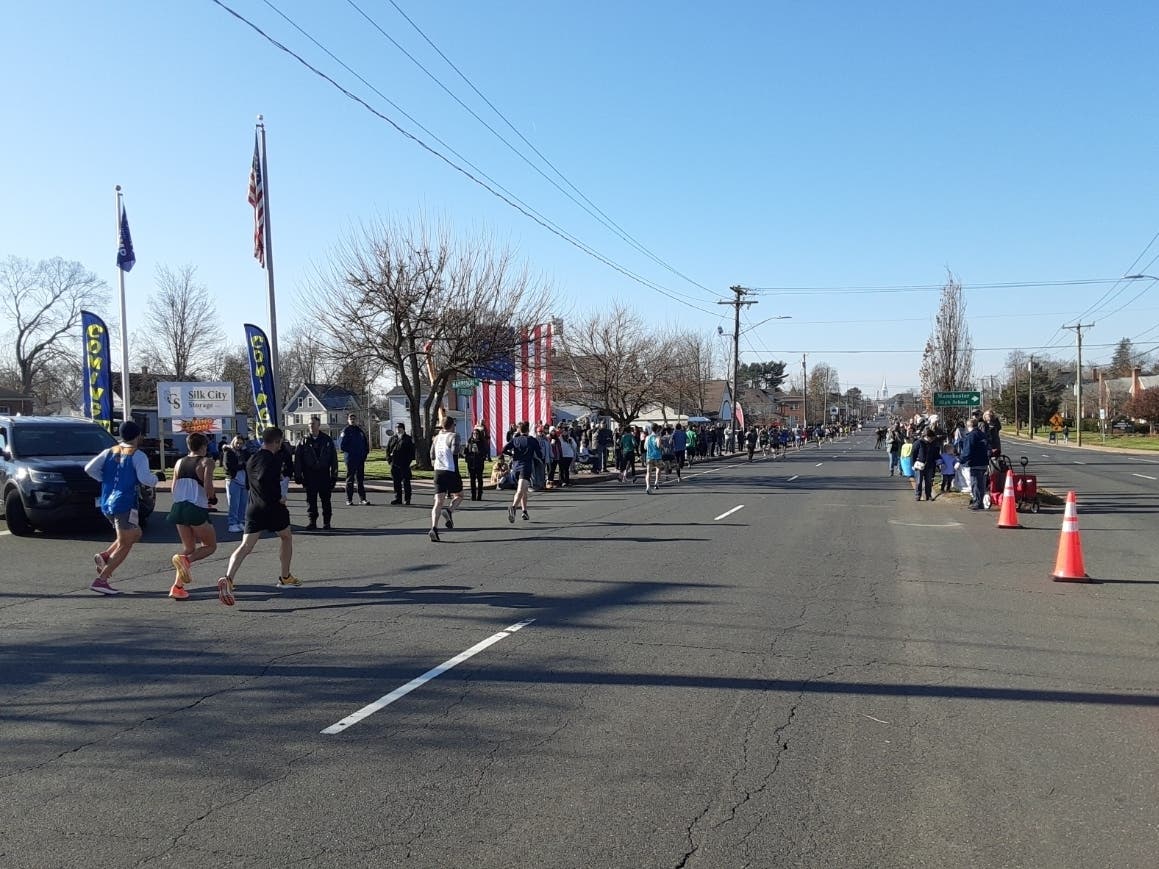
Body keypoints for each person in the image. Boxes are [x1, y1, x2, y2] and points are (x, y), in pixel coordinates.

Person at [84, 421, 162, 595]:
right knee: (126, 542)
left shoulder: (109, 451)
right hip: (124, 502)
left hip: (107, 500)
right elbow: (144, 479)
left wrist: (104, 479)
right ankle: (101, 580)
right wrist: (156, 478)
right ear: (137, 435)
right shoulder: (138, 455)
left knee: (136, 533)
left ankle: (105, 556)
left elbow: (88, 469)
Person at [220, 426, 299, 597]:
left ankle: (228, 579)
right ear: (276, 442)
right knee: (286, 537)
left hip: (253, 506)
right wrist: (279, 497)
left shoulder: (252, 458)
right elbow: (264, 479)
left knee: (246, 545)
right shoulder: (270, 459)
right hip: (271, 506)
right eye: (280, 443)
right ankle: (285, 577)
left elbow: (251, 482)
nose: (280, 446)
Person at [167, 432, 219, 601]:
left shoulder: (179, 462)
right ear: (204, 446)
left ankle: (177, 587)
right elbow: (208, 485)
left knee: (188, 548)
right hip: (195, 507)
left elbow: (173, 487)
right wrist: (212, 498)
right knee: (210, 546)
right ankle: (187, 561)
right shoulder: (207, 462)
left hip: (178, 507)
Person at [294, 415, 339, 531]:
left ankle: (327, 523)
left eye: (313, 424)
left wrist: (334, 476)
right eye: (309, 424)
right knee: (311, 500)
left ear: (319, 425)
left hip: (324, 475)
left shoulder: (327, 440)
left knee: (326, 500)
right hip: (310, 475)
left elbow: (334, 459)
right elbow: (298, 459)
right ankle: (312, 522)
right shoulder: (303, 441)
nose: (311, 426)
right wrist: (298, 475)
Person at [428, 416, 464, 542]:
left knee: (438, 501)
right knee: (459, 495)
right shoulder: (454, 436)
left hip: (438, 471)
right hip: (451, 470)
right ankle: (449, 511)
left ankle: (434, 527)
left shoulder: (436, 438)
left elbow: (432, 454)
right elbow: (455, 451)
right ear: (452, 425)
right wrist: (460, 448)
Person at [503, 420, 541, 522]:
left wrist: (512, 455)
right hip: (525, 467)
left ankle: (524, 512)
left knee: (523, 490)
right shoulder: (532, 440)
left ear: (519, 430)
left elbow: (504, 450)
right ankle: (513, 507)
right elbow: (539, 453)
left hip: (515, 467)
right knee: (520, 490)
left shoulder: (515, 440)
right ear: (528, 430)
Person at [338, 411, 370, 507]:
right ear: (348, 420)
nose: (352, 420)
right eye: (351, 419)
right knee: (350, 480)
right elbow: (341, 446)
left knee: (360, 480)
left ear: (357, 420)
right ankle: (349, 499)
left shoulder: (360, 431)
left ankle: (362, 499)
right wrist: (353, 452)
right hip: (351, 459)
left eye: (354, 419)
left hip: (360, 459)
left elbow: (365, 445)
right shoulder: (345, 431)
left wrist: (364, 454)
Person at [959, 418, 991, 510]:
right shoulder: (982, 435)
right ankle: (980, 501)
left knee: (975, 483)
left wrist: (960, 460)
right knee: (981, 484)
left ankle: (977, 502)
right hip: (984, 462)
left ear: (968, 426)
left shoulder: (971, 436)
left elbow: (967, 451)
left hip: (975, 462)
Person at [223, 434, 252, 533]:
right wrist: (241, 466)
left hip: (244, 481)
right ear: (233, 442)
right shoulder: (229, 452)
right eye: (237, 443)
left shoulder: (245, 453)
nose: (238, 445)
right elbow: (228, 467)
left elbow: (249, 464)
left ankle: (240, 522)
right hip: (233, 480)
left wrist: (243, 465)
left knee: (243, 504)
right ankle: (232, 523)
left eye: (241, 443)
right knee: (234, 504)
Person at [386, 422, 416, 505]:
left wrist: (407, 462)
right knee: (396, 482)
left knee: (406, 482)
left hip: (404, 464)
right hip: (394, 464)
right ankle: (398, 498)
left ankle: (407, 499)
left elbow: (412, 452)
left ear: (403, 429)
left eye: (400, 427)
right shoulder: (393, 438)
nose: (398, 429)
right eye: (396, 428)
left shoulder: (408, 439)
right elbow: (388, 450)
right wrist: (389, 460)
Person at [911, 429, 938, 502]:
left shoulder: (933, 444)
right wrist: (913, 464)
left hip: (930, 465)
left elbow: (936, 454)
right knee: (919, 481)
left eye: (933, 438)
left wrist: (938, 460)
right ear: (926, 436)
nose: (932, 440)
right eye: (931, 438)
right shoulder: (918, 443)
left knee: (928, 481)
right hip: (920, 465)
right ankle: (918, 495)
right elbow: (913, 454)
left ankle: (928, 495)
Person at [465, 421, 490, 501]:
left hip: (479, 463)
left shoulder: (482, 443)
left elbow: (485, 452)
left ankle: (479, 494)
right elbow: (466, 452)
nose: (475, 435)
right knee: (472, 479)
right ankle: (473, 495)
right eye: (474, 434)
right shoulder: (470, 442)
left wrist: (479, 452)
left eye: (476, 434)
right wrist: (467, 455)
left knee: (479, 479)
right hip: (471, 463)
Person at [644, 423, 664, 494]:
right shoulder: (658, 437)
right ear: (657, 429)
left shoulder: (647, 437)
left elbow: (645, 447)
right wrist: (662, 446)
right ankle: (656, 482)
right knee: (658, 469)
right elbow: (658, 446)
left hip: (649, 456)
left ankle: (648, 487)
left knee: (648, 472)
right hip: (657, 456)